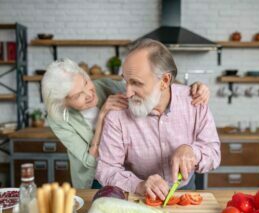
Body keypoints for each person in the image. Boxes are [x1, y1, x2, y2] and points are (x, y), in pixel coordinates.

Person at [41, 58, 210, 189]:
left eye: (86, 82)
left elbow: (147, 88)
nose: (89, 94)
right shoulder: (58, 118)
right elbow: (90, 162)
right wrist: (102, 117)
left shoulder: (104, 86)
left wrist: (191, 89)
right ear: (63, 102)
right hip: (91, 178)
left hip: (122, 175)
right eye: (78, 95)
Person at [96, 39, 220, 200]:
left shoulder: (195, 102)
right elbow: (106, 169)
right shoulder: (117, 114)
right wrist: (138, 185)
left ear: (165, 81)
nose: (127, 93)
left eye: (136, 83)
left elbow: (214, 153)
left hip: (184, 193)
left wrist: (192, 151)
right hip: (137, 195)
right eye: (126, 81)